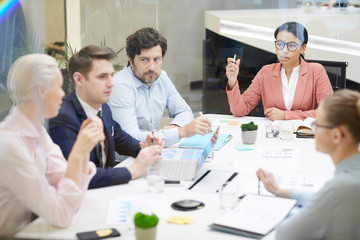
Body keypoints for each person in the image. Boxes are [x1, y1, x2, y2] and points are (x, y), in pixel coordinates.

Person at [0, 54, 103, 235]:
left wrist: (84, 149)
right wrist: (78, 154)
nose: (63, 94)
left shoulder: (37, 131)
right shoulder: (9, 144)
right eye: (59, 87)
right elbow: (62, 214)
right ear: (41, 90)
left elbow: (67, 184)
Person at [48, 45, 163, 189]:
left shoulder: (102, 106)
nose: (111, 84)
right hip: (82, 199)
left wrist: (145, 149)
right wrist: (133, 171)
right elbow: (77, 176)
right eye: (102, 77)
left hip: (105, 191)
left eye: (111, 76)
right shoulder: (62, 116)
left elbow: (119, 138)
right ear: (79, 79)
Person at [256, 89, 360, 239]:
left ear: (336, 135)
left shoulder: (339, 187)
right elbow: (321, 199)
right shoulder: (350, 177)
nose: (313, 128)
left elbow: (285, 234)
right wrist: (279, 190)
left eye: (317, 124)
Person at [109, 27, 212, 147]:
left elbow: (184, 110)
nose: (152, 67)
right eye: (144, 60)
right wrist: (180, 132)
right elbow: (131, 137)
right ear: (131, 60)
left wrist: (175, 126)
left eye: (156, 59)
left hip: (151, 151)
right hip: (125, 160)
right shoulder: (120, 86)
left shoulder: (161, 77)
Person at [226, 22, 333, 121]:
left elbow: (329, 112)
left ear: (303, 48)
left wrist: (286, 116)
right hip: (273, 134)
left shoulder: (316, 71)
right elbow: (239, 110)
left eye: (291, 46)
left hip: (303, 135)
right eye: (280, 44)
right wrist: (232, 82)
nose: (284, 51)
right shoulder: (266, 72)